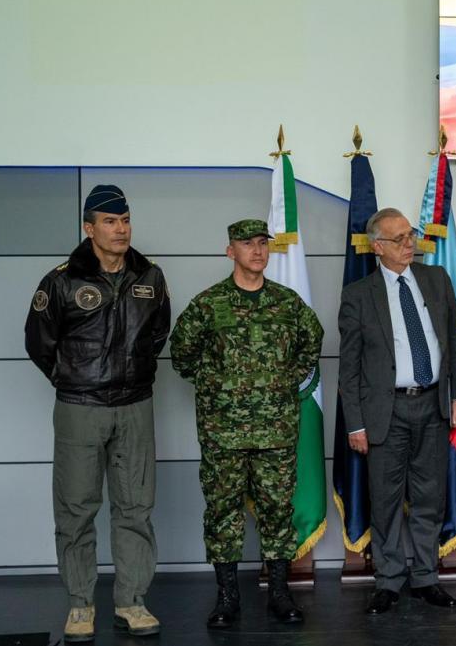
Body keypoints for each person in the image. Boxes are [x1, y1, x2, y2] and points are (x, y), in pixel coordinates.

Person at [25, 184, 171, 642]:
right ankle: (80, 605)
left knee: (135, 508)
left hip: (134, 408)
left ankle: (132, 601)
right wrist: (74, 379)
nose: (121, 229)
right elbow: (39, 344)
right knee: (75, 509)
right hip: (80, 410)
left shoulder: (150, 276)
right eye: (110, 222)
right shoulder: (61, 281)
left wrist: (131, 375)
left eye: (125, 220)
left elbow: (157, 335)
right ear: (89, 228)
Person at [170, 219, 323, 628]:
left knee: (277, 510)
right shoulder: (209, 304)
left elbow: (312, 341)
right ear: (230, 251)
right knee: (222, 512)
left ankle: (279, 593)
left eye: (262, 243)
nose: (257, 250)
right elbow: (182, 354)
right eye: (247, 244)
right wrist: (217, 386)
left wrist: (284, 380)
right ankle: (227, 598)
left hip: (276, 431)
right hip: (224, 434)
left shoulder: (288, 304)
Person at [338, 208, 456, 615]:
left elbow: (454, 340)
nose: (409, 243)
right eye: (398, 239)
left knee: (431, 497)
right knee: (387, 499)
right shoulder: (359, 294)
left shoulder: (436, 279)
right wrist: (355, 422)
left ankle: (426, 577)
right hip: (386, 411)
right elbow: (350, 366)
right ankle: (390, 581)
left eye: (410, 235)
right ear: (378, 247)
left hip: (432, 404)